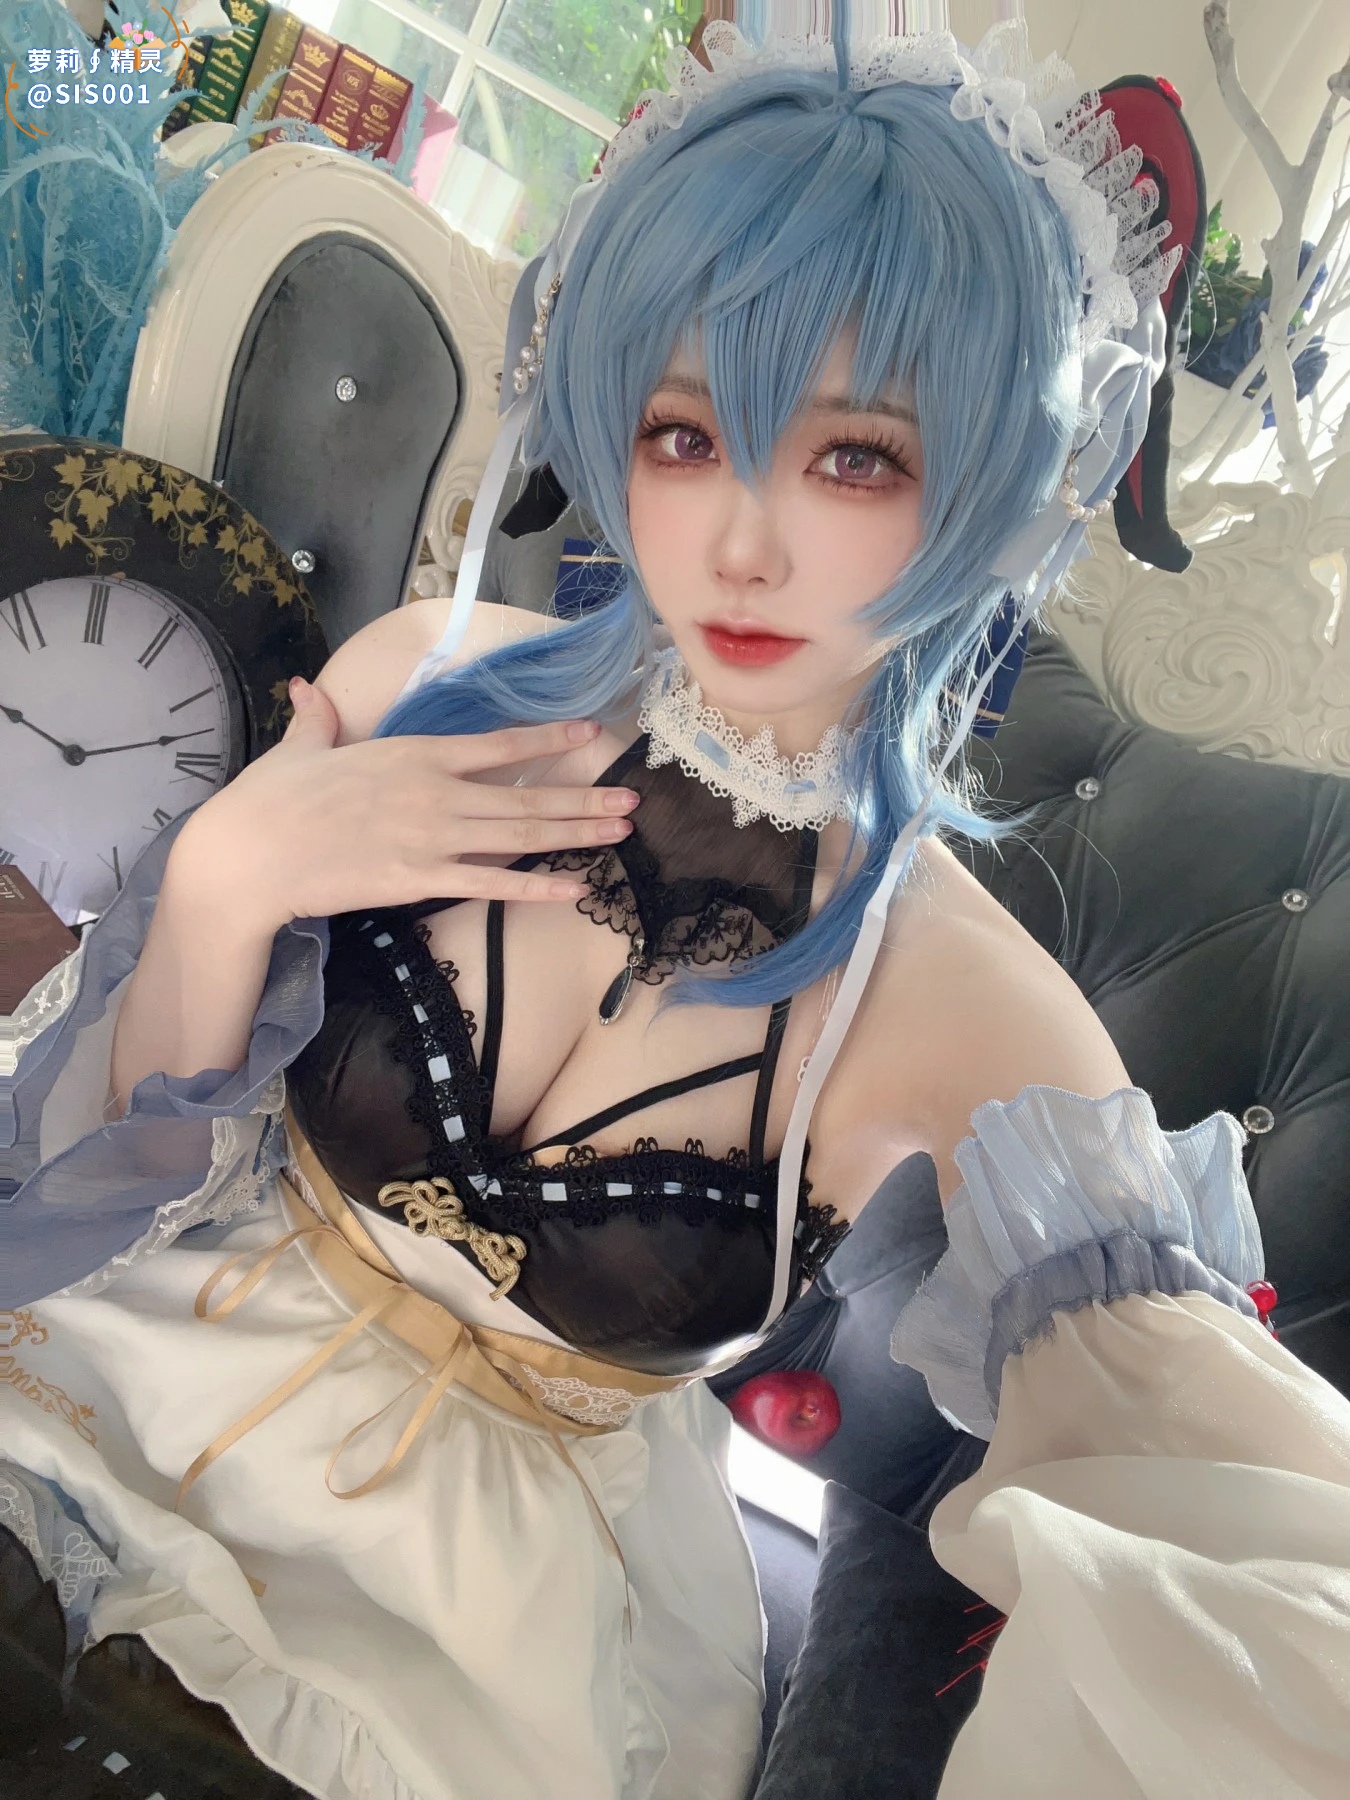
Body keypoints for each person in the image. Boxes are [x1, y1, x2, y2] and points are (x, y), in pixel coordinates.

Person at [4, 15, 1350, 1800]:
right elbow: (111, 1175)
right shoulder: (425, 684)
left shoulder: (968, 1009)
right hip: (110, 1392)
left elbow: (1228, 1535)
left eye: (854, 456)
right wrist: (230, 877)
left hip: (469, 1647)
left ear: (997, 481)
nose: (738, 539)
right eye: (684, 432)